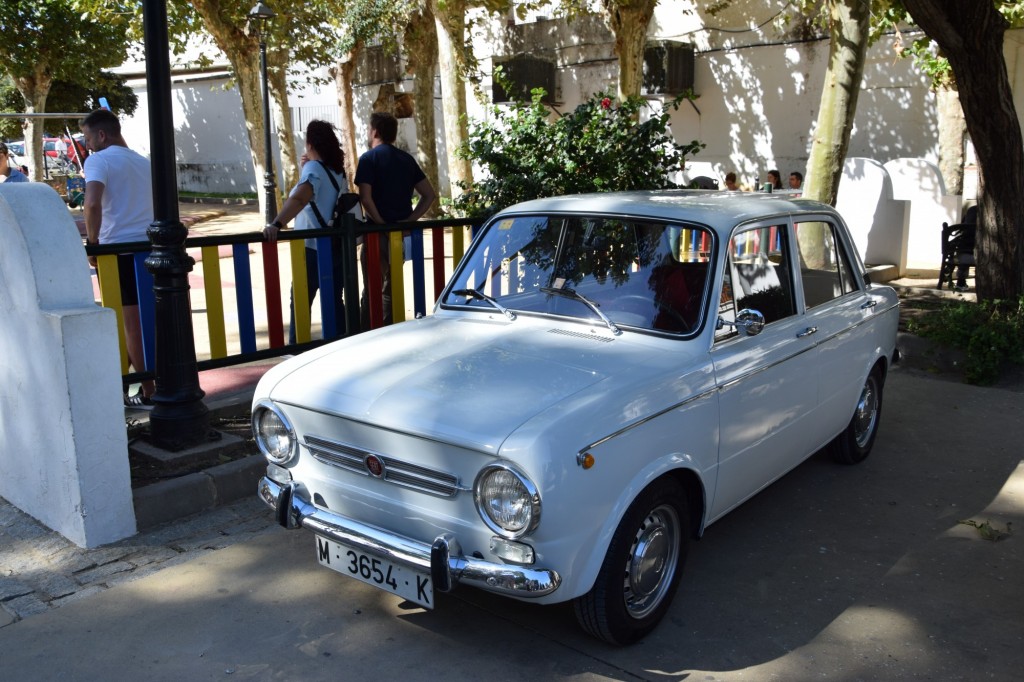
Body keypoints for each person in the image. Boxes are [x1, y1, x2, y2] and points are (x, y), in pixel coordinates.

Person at [80, 108, 156, 407]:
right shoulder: (144, 162)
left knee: (129, 324)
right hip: (149, 249)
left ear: (101, 135)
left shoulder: (98, 160)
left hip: (117, 252)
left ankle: (149, 390)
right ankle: (129, 385)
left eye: (88, 138)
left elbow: (92, 204)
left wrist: (93, 243)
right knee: (144, 320)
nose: (87, 145)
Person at [263, 120, 348, 343]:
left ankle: (297, 347)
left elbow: (301, 198)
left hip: (312, 246)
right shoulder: (337, 171)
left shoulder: (314, 169)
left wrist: (276, 224)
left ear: (310, 143)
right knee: (334, 299)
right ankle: (340, 343)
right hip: (334, 244)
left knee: (301, 298)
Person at [354, 111, 437, 327]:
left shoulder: (368, 159)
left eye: (369, 128)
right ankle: (389, 329)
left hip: (376, 235)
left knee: (371, 290)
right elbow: (429, 194)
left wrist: (380, 223)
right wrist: (410, 220)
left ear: (375, 132)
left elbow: (365, 197)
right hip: (400, 235)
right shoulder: (406, 159)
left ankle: (365, 332)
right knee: (390, 289)